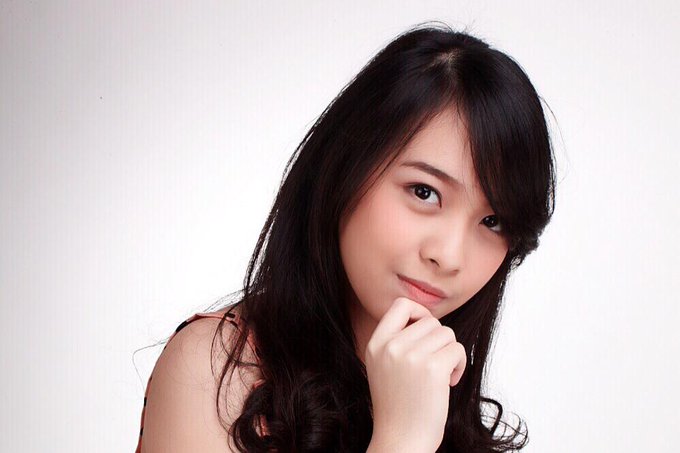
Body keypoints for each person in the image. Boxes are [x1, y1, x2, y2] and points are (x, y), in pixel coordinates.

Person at [136, 22, 556, 453]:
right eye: (424, 192)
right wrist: (403, 439)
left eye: (492, 222)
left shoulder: (440, 401)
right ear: (346, 170)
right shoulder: (213, 372)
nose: (449, 256)